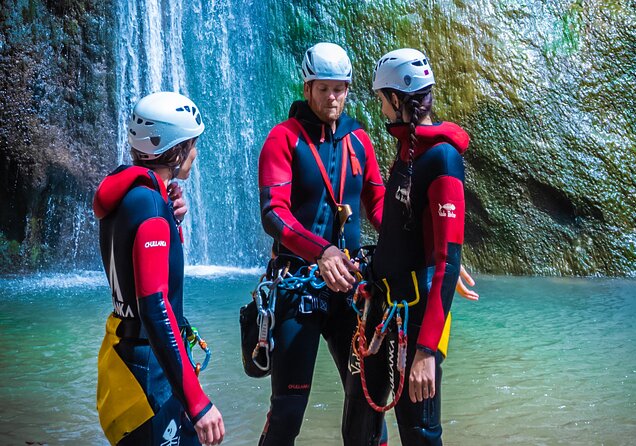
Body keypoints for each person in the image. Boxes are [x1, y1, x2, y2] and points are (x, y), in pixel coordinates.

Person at [256, 41, 386, 445]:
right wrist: (321, 251)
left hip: (349, 289)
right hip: (298, 286)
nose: (333, 98)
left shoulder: (360, 141)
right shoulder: (283, 139)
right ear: (308, 87)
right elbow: (273, 214)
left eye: (340, 89)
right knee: (288, 410)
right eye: (324, 88)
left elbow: (379, 204)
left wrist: (430, 245)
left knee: (369, 399)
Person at [343, 48, 470, 445]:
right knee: (359, 423)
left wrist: (427, 351)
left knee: (419, 433)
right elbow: (407, 229)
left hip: (416, 321)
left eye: (382, 99)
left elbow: (448, 262)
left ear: (398, 100)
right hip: (384, 308)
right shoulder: (410, 148)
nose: (380, 108)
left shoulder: (443, 160)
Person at [93, 91, 225, 446]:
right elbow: (155, 306)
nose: (195, 154)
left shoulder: (132, 192)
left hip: (133, 357)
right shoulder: (151, 206)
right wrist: (197, 403)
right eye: (191, 144)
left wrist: (171, 216)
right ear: (176, 148)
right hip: (148, 372)